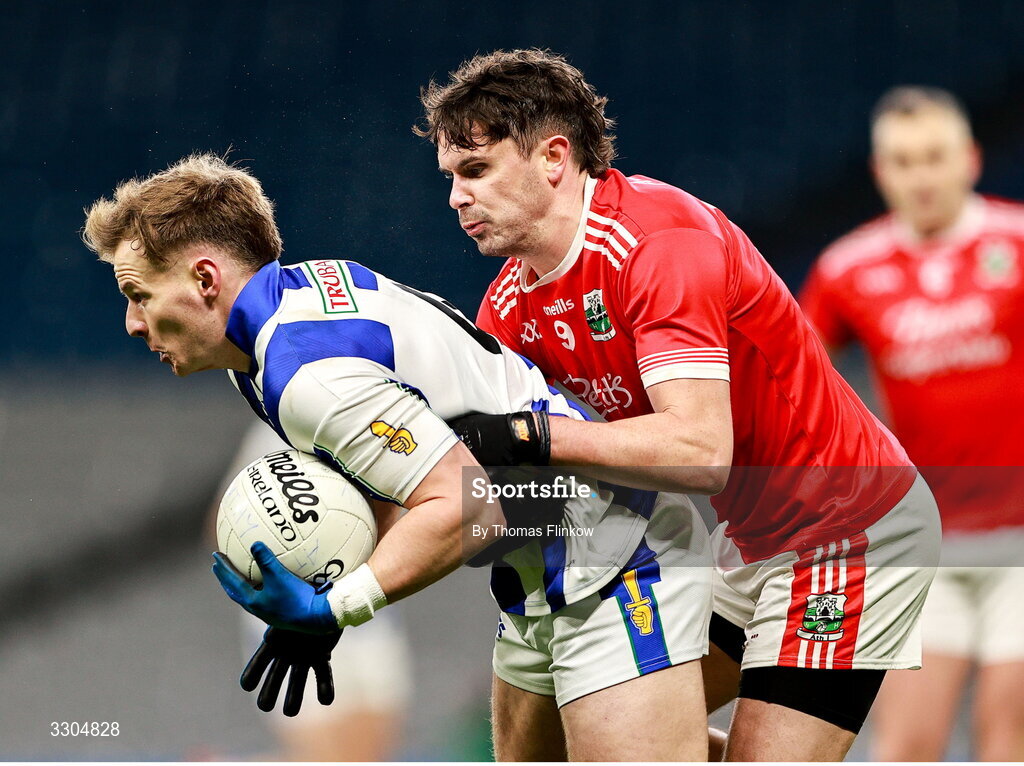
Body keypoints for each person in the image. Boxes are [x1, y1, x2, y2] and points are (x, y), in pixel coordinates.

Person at [82, 153, 714, 761]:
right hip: (543, 569)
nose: (133, 323)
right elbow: (413, 479)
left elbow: (473, 511)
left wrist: (336, 606)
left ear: (203, 278)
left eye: (138, 293)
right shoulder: (292, 312)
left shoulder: (305, 376)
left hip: (613, 555)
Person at [414, 49, 941, 761]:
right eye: (451, 178)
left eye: (475, 170)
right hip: (745, 544)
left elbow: (701, 452)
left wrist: (535, 439)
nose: (456, 197)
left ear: (554, 158)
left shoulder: (658, 244)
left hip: (849, 528)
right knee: (593, 737)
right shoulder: (509, 309)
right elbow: (496, 467)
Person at [799, 86, 1024, 762]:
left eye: (934, 157)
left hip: (1021, 542)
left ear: (970, 159)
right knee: (904, 748)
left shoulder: (1018, 242)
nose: (920, 176)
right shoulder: (847, 269)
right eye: (903, 160)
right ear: (880, 172)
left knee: (1004, 737)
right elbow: (793, 385)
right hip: (924, 543)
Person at [214, 422, 414, 761]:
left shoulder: (379, 419)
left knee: (370, 755)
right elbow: (221, 528)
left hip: (363, 609)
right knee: (323, 756)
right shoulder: (275, 430)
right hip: (293, 615)